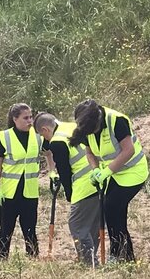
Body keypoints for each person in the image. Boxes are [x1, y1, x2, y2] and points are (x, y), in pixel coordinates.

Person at [69, 99, 148, 262]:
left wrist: (107, 171)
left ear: (98, 120)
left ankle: (118, 254)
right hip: (113, 173)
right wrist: (96, 169)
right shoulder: (85, 126)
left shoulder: (117, 121)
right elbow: (90, 153)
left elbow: (129, 150)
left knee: (111, 207)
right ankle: (125, 256)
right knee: (113, 213)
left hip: (133, 172)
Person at [34, 112, 101, 266]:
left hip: (84, 185)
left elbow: (64, 171)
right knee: (92, 223)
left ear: (45, 130)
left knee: (76, 224)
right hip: (99, 178)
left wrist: (69, 194)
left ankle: (88, 262)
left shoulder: (57, 141)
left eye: (42, 135)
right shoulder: (71, 126)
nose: (44, 140)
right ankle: (90, 257)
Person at [0, 103, 43, 259]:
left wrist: (53, 172)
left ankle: (33, 259)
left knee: (30, 229)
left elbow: (49, 153)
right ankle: (2, 259)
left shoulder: (38, 136)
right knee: (6, 229)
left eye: (31, 117)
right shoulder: (5, 137)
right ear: (15, 119)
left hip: (30, 191)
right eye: (25, 118)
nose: (30, 121)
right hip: (9, 192)